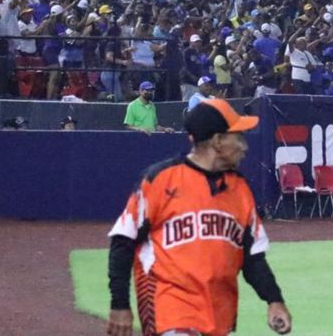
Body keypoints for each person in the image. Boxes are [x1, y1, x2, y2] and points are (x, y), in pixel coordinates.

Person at [106, 99, 292, 336]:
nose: (245, 146)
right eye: (239, 137)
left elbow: (253, 257)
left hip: (217, 314)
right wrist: (119, 304)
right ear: (217, 141)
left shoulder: (239, 189)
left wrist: (274, 300)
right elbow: (123, 241)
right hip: (168, 307)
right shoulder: (160, 180)